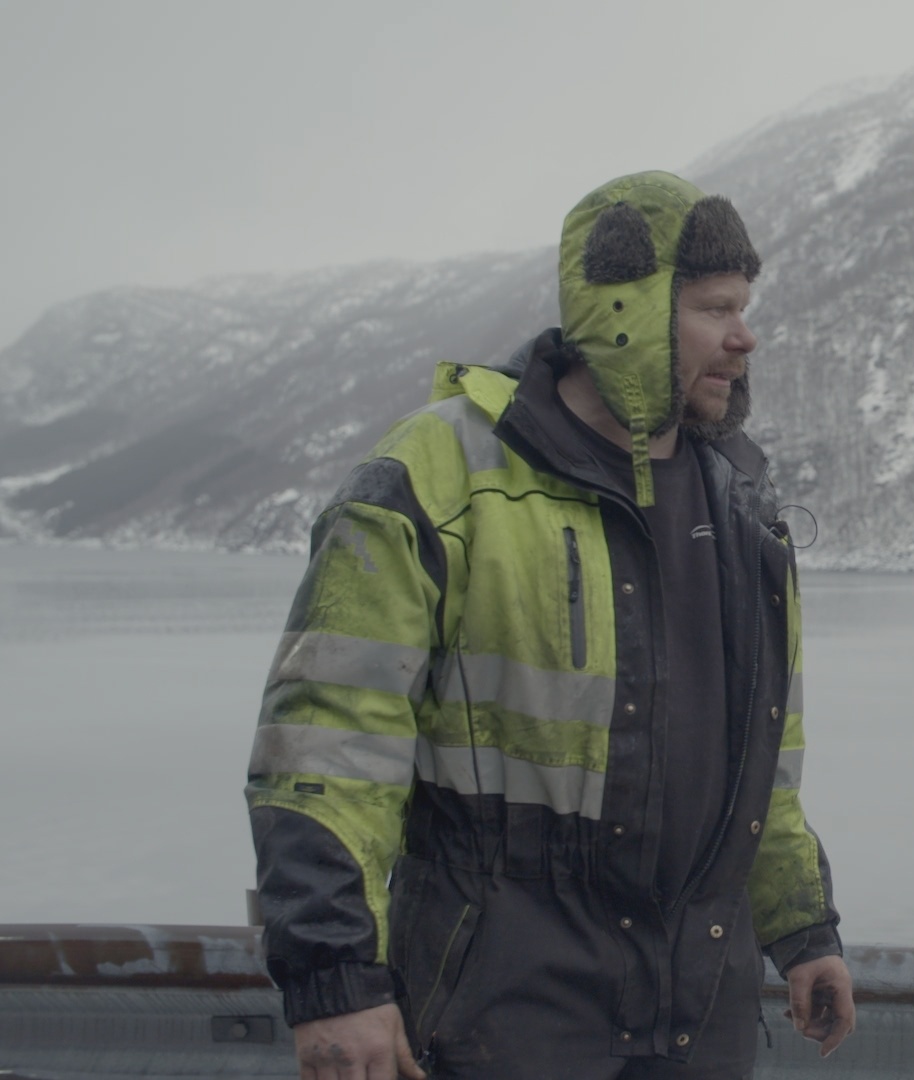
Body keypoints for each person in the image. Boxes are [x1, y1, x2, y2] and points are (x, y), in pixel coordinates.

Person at [245, 171, 853, 1080]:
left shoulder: (745, 510)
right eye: (716, 307)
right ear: (626, 310)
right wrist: (335, 981)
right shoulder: (439, 475)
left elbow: (765, 764)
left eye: (745, 307)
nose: (745, 336)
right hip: (500, 1006)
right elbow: (327, 746)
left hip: (698, 1010)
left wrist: (803, 928)